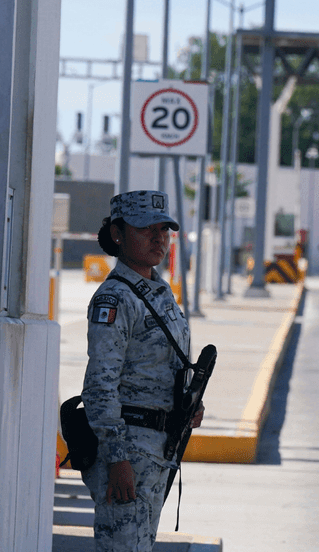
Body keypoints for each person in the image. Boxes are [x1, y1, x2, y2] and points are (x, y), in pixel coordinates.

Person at [82, 190, 203, 552]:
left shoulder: (158, 292)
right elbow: (99, 386)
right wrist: (116, 457)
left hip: (158, 449)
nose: (158, 238)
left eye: (164, 230)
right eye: (145, 229)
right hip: (129, 452)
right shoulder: (116, 298)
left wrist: (187, 404)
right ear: (117, 234)